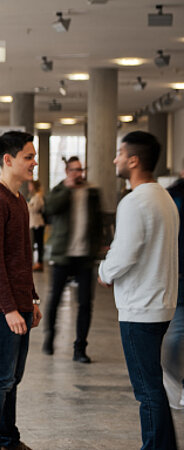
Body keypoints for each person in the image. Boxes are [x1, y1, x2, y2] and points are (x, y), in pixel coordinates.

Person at [98, 131, 179, 449]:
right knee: (153, 386)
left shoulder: (134, 201)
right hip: (161, 302)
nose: (115, 159)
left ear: (133, 160)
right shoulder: (164, 197)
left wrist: (104, 272)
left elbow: (124, 253)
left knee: (147, 391)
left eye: (120, 153)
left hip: (140, 307)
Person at [0, 131, 42, 450]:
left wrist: (32, 299)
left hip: (20, 303)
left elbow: (22, 257)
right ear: (8, 159)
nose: (34, 162)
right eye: (28, 156)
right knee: (0, 378)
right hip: (3, 307)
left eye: (33, 156)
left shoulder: (18, 200)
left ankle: (7, 437)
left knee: (13, 378)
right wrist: (10, 309)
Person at [42, 156, 103, 362]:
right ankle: (49, 337)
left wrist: (97, 248)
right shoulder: (59, 190)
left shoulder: (92, 192)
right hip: (63, 255)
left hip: (85, 257)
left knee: (85, 303)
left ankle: (80, 348)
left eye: (80, 170)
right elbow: (49, 210)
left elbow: (98, 222)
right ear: (67, 171)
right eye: (73, 170)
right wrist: (67, 190)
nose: (77, 173)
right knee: (55, 298)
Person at [164, 170, 184, 410]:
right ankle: (173, 379)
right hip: (180, 273)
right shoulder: (174, 195)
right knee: (177, 331)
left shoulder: (173, 195)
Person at [26, 180, 45, 272]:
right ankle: (35, 263)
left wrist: (27, 205)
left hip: (37, 223)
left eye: (30, 185)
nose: (29, 187)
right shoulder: (33, 196)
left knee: (38, 244)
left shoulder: (38, 196)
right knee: (33, 244)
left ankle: (39, 263)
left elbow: (36, 208)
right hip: (32, 223)